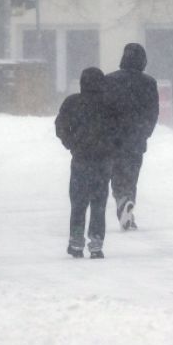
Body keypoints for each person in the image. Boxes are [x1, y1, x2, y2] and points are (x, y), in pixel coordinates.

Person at [55, 67, 118, 259]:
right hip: (103, 160)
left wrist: (71, 143)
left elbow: (61, 127)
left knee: (78, 201)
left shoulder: (72, 103)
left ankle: (76, 242)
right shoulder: (110, 104)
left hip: (81, 158)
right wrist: (112, 147)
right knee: (99, 202)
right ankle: (96, 244)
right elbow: (120, 130)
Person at [104, 42, 159, 230]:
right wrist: (145, 132)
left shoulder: (109, 80)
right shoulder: (149, 83)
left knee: (116, 174)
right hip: (136, 138)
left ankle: (122, 202)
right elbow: (153, 112)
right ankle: (127, 205)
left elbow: (102, 109)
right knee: (132, 175)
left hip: (113, 138)